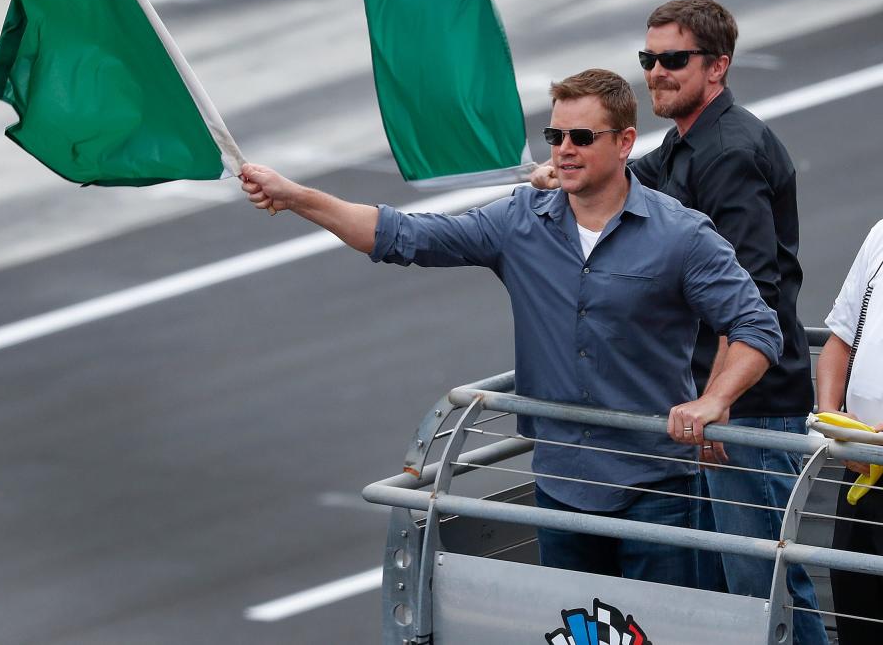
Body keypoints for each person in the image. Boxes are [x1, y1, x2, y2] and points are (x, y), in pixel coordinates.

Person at [242, 68, 782, 588]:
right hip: (560, 487)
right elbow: (400, 236)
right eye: (555, 135)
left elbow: (757, 325)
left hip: (656, 490)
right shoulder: (519, 220)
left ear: (624, 142)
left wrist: (715, 399)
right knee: (578, 634)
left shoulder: (681, 235)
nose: (564, 148)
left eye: (581, 136)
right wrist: (298, 198)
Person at [530, 0, 826, 644]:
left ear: (717, 66)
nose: (656, 72)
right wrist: (566, 172)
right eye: (649, 58)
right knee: (731, 585)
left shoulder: (730, 152)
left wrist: (721, 399)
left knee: (763, 581)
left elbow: (755, 295)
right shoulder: (686, 144)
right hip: (713, 403)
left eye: (673, 59)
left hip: (749, 406)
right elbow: (630, 179)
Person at [817, 220, 883, 644]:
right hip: (860, 471)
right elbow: (838, 344)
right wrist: (829, 418)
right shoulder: (881, 233)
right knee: (857, 618)